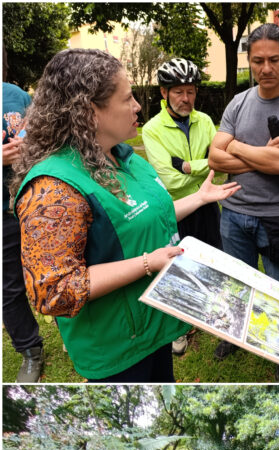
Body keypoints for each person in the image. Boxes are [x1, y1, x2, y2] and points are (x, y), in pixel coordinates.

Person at [11, 48, 238, 382]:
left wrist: (200, 198)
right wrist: (148, 263)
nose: (138, 107)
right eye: (128, 98)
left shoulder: (123, 158)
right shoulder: (53, 188)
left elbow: (141, 218)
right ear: (89, 112)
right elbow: (53, 290)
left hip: (153, 325)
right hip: (116, 347)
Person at [209, 23, 279, 379]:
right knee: (237, 282)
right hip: (234, 210)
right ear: (249, 61)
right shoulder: (238, 103)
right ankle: (237, 335)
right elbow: (214, 158)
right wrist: (260, 155)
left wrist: (236, 146)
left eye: (274, 59)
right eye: (258, 61)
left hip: (278, 217)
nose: (266, 68)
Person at [141, 58, 221, 357]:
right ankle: (180, 325)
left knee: (213, 257)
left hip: (209, 204)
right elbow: (169, 180)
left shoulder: (206, 121)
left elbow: (221, 162)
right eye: (178, 92)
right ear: (164, 93)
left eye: (191, 91)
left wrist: (188, 165)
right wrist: (204, 165)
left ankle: (211, 311)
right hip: (176, 208)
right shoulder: (151, 130)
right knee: (178, 264)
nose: (186, 98)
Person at [3, 49, 45, 381]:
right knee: (11, 286)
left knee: (55, 272)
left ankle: (79, 335)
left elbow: (41, 134)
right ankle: (31, 351)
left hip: (30, 200)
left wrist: (27, 147)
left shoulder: (15, 94)